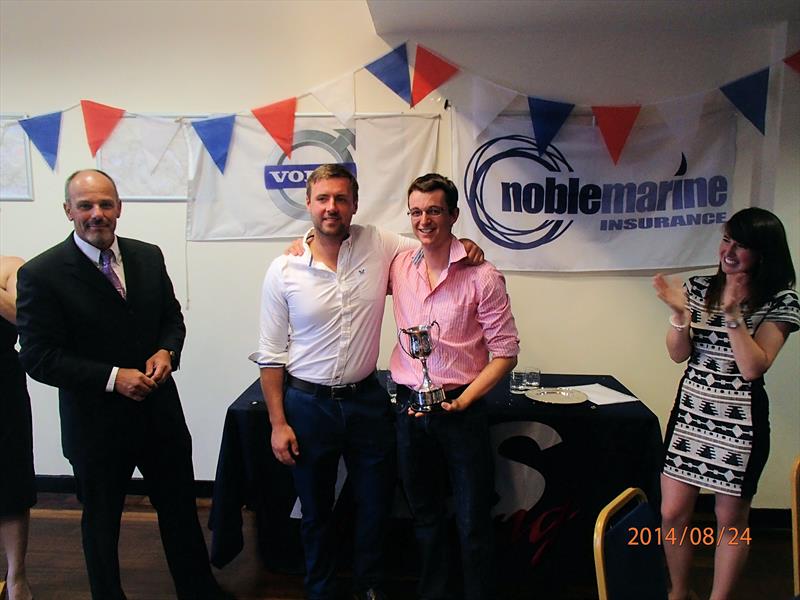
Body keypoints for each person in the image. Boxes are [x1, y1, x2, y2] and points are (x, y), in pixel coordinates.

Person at [252, 164, 483, 600]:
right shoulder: (283, 270)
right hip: (307, 404)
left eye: (341, 198)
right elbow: (270, 354)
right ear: (308, 204)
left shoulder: (381, 244)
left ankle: (369, 588)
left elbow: (434, 243)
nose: (331, 207)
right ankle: (320, 590)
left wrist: (467, 245)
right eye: (322, 199)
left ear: (355, 204)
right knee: (316, 511)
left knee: (374, 507)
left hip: (367, 403)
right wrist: (277, 423)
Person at [15, 169, 231, 600]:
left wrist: (167, 351)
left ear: (119, 207)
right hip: (96, 427)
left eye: (106, 204)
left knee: (180, 515)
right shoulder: (42, 273)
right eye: (86, 206)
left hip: (160, 417)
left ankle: (199, 591)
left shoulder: (148, 256)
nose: (97, 214)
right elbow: (39, 357)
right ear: (68, 211)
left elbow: (172, 318)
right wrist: (113, 379)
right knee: (101, 524)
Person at [653, 207, 799, 600]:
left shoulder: (781, 301)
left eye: (743, 246)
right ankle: (679, 592)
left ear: (765, 253)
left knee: (730, 521)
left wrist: (733, 315)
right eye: (726, 240)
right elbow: (678, 355)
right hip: (692, 415)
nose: (729, 252)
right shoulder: (700, 288)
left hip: (741, 424)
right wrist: (681, 316)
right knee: (671, 513)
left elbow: (754, 367)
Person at [389, 173, 519, 600]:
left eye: (434, 210)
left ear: (453, 216)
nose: (424, 219)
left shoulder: (483, 275)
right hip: (410, 407)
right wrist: (302, 240)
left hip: (462, 409)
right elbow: (344, 241)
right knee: (424, 517)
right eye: (417, 211)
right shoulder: (399, 266)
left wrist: (464, 400)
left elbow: (505, 353)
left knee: (472, 520)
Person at [0, 255, 35, 600]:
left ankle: (17, 576)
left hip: (2, 386)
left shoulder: (12, 266)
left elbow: (26, 318)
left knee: (10, 481)